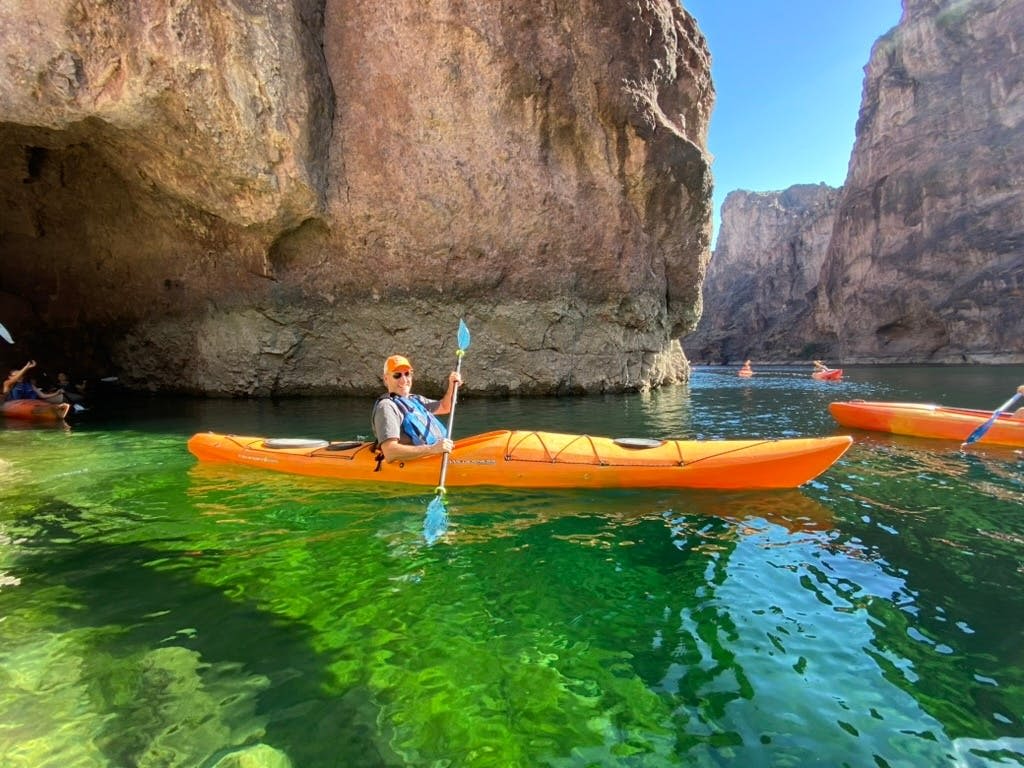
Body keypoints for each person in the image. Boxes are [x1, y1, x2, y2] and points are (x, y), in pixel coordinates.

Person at [371, 354, 463, 464]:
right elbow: (390, 452)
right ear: (386, 379)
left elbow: (445, 407)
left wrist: (452, 387)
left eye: (407, 374)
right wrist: (432, 449)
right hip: (414, 461)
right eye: (397, 375)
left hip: (434, 454)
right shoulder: (386, 407)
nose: (404, 380)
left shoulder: (416, 400)